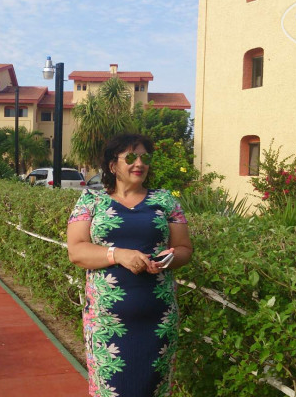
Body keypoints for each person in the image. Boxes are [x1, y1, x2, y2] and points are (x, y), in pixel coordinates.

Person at [67, 133, 193, 396]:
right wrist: (118, 254)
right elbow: (76, 251)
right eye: (131, 157)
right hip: (106, 322)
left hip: (158, 319)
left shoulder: (165, 200)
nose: (139, 163)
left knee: (153, 390)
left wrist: (168, 259)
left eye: (145, 158)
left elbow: (184, 250)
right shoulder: (91, 200)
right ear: (113, 165)